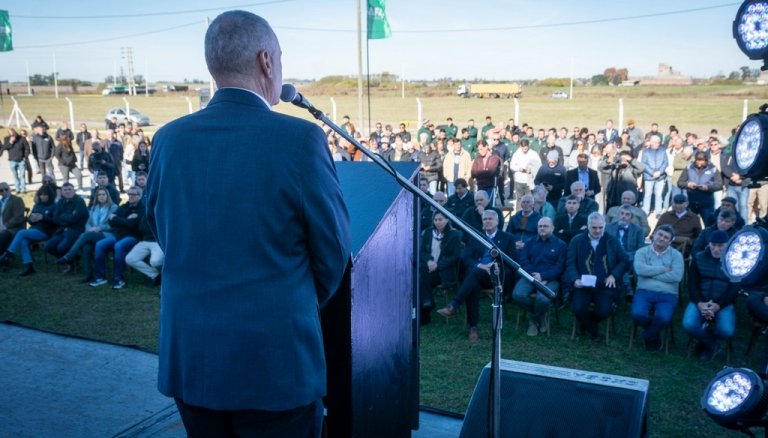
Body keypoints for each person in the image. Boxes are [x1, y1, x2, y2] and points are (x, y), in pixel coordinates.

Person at [144, 11, 351, 437]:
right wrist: (288, 302)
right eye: (280, 57)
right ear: (266, 61)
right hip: (274, 363)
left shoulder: (168, 138)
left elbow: (161, 228)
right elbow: (332, 252)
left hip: (193, 359)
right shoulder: (300, 139)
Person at [436, 210, 516, 342]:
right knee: (474, 281)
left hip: (497, 276)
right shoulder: (477, 237)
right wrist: (479, 265)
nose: (487, 221)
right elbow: (465, 256)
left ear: (497, 222)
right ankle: (473, 327)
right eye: (485, 219)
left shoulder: (508, 238)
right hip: (478, 275)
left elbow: (512, 262)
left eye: (490, 219)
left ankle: (455, 306)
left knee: (473, 275)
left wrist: (496, 270)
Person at [565, 212, 630, 340]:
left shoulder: (612, 241)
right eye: (594, 227)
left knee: (604, 310)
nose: (598, 230)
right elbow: (570, 262)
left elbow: (625, 260)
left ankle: (585, 324)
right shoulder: (577, 240)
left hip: (605, 284)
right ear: (588, 226)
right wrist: (575, 279)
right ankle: (593, 330)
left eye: (601, 227)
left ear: (604, 226)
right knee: (578, 308)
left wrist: (613, 275)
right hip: (583, 284)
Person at [682, 230, 738, 362]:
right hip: (700, 300)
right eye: (713, 245)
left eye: (720, 246)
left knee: (726, 331)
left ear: (728, 245)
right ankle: (712, 345)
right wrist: (700, 303)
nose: (716, 249)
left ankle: (703, 342)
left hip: (723, 303)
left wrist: (718, 305)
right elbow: (692, 284)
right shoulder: (699, 258)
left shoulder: (735, 261)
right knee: (688, 324)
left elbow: (734, 289)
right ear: (709, 244)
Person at [630, 225, 684, 351]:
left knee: (664, 318)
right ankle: (654, 333)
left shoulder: (676, 255)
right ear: (653, 235)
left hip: (667, 294)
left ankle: (648, 335)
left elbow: (676, 276)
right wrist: (663, 269)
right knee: (637, 314)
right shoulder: (642, 252)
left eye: (666, 237)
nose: (662, 238)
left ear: (670, 241)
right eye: (660, 235)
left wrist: (649, 273)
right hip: (644, 292)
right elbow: (640, 270)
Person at [512, 217, 566, 336]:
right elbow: (523, 261)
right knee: (517, 295)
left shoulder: (561, 245)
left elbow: (559, 267)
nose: (542, 228)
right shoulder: (529, 242)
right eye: (540, 226)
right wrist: (534, 276)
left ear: (552, 228)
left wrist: (544, 276)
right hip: (530, 277)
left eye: (545, 226)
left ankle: (533, 320)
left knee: (543, 299)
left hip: (550, 279)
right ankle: (540, 315)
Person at [55, 187, 117, 279]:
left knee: (85, 236)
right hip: (92, 234)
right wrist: (90, 229)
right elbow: (87, 223)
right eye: (99, 195)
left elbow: (113, 226)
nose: (101, 196)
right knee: (86, 247)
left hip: (107, 234)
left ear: (107, 196)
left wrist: (99, 228)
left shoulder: (113, 207)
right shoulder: (94, 208)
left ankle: (68, 256)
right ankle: (88, 274)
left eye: (103, 194)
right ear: (96, 197)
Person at [90, 187, 144, 289]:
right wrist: (123, 220)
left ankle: (119, 279)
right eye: (129, 194)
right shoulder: (123, 206)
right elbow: (111, 222)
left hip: (133, 237)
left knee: (119, 246)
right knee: (100, 244)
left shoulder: (142, 209)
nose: (130, 196)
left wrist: (116, 218)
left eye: (133, 194)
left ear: (140, 196)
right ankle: (100, 277)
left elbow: (131, 224)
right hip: (118, 235)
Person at [0, 185, 57, 276]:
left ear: (50, 195)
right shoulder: (37, 205)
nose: (43, 197)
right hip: (34, 229)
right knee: (23, 241)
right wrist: (31, 219)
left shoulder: (54, 206)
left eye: (45, 195)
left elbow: (56, 221)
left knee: (21, 233)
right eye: (41, 195)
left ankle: (8, 254)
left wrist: (43, 218)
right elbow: (29, 219)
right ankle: (28, 266)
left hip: (46, 231)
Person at [418, 210, 462, 325]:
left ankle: (424, 314)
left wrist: (437, 265)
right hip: (428, 268)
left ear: (447, 220)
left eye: (440, 219)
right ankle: (427, 303)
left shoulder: (454, 235)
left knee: (421, 279)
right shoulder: (428, 232)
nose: (438, 222)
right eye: (436, 220)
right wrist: (429, 260)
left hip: (444, 271)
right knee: (422, 271)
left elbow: (455, 257)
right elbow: (422, 251)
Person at [605, 204, 646, 299]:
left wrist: (627, 256)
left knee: (625, 261)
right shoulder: (608, 227)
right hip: (612, 256)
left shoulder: (638, 230)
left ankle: (632, 289)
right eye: (622, 213)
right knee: (621, 262)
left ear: (631, 217)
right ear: (618, 215)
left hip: (630, 256)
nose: (624, 216)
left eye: (627, 214)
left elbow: (640, 249)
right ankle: (628, 289)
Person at [44, 183, 89, 259]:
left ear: (74, 191)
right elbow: (55, 218)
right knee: (48, 246)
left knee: (61, 247)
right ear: (61, 192)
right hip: (62, 230)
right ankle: (67, 260)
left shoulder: (79, 201)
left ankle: (69, 260)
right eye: (65, 190)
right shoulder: (60, 202)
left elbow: (75, 218)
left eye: (69, 189)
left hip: (76, 230)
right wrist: (68, 218)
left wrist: (62, 215)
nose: (67, 191)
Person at [678, 151, 723, 226]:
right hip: (691, 202)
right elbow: (680, 182)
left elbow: (719, 185)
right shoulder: (689, 167)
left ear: (706, 160)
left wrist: (708, 188)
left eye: (701, 161)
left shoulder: (713, 169)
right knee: (688, 226)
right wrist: (688, 184)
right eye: (697, 161)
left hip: (706, 204)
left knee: (709, 225)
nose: (699, 163)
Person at [641, 136, 668, 218]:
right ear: (651, 143)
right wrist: (652, 173)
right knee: (647, 195)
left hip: (660, 177)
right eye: (655, 142)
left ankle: (658, 212)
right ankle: (646, 211)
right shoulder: (646, 152)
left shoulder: (663, 151)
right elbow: (644, 163)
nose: (657, 144)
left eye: (658, 142)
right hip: (649, 177)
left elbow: (665, 163)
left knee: (659, 195)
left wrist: (659, 172)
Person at [0, 182, 27, 254]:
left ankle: (4, 257)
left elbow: (18, 217)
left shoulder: (16, 200)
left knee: (2, 236)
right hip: (2, 228)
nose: (4, 191)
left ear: (10, 189)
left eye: (6, 189)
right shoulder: (0, 202)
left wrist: (5, 226)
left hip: (12, 228)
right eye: (1, 190)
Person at [2, 128, 30, 194]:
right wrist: (10, 142)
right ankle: (17, 189)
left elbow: (27, 148)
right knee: (15, 175)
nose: (12, 135)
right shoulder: (6, 139)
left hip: (21, 160)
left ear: (15, 133)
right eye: (11, 134)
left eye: (13, 134)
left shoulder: (22, 139)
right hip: (12, 160)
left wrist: (25, 157)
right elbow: (5, 148)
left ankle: (23, 189)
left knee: (22, 175)